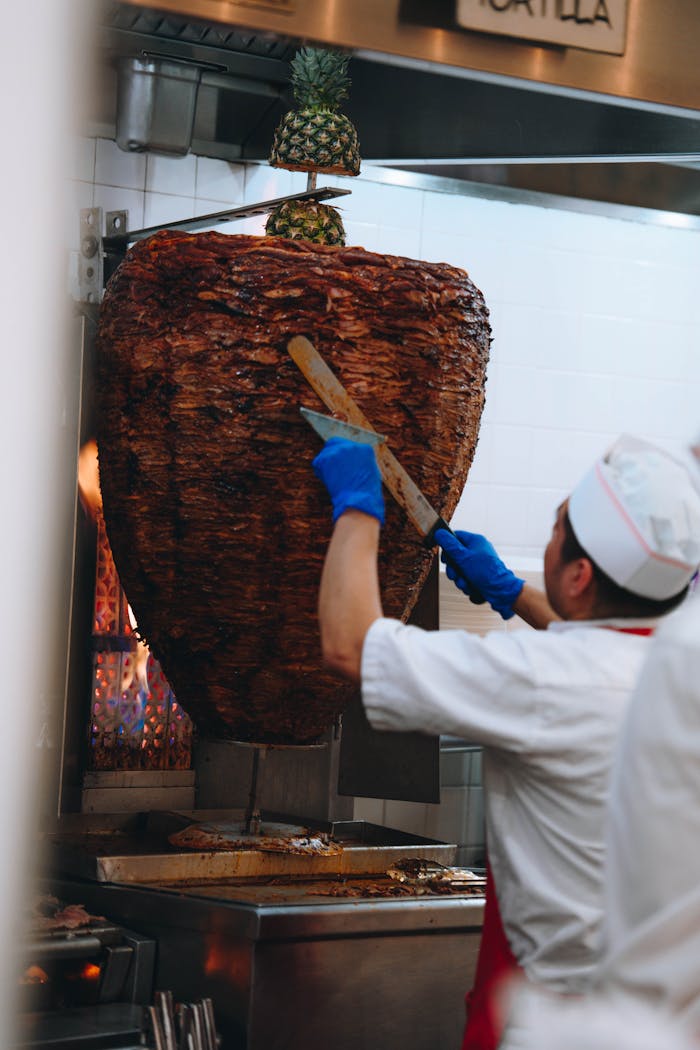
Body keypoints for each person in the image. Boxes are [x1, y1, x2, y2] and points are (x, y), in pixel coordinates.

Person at [310, 433, 700, 1050]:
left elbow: (349, 644)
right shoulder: (681, 667)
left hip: (560, 1019)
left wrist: (359, 506)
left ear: (578, 576)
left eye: (555, 527)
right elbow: (601, 651)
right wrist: (514, 593)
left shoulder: (540, 678)